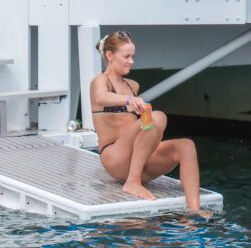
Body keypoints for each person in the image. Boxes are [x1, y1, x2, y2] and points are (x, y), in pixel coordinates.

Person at [89, 30, 208, 215]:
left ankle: (194, 211)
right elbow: (101, 97)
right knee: (157, 116)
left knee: (186, 145)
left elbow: (146, 126)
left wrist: (141, 110)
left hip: (138, 158)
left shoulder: (132, 85)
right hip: (115, 157)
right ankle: (132, 182)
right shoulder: (100, 81)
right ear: (110, 55)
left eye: (133, 56)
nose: (131, 61)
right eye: (126, 56)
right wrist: (128, 100)